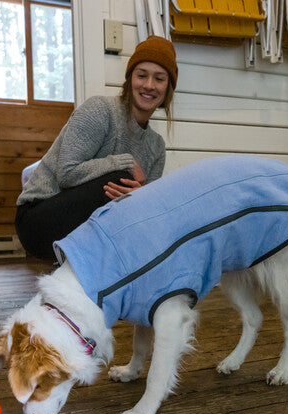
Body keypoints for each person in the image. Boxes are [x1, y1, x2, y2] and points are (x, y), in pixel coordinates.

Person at [15, 35, 178, 259]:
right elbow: (67, 174)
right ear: (130, 79)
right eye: (142, 76)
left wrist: (142, 197)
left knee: (144, 204)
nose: (149, 85)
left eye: (159, 79)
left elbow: (146, 212)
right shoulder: (100, 110)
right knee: (122, 176)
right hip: (38, 218)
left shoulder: (157, 147)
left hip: (85, 228)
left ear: (167, 88)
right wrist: (126, 161)